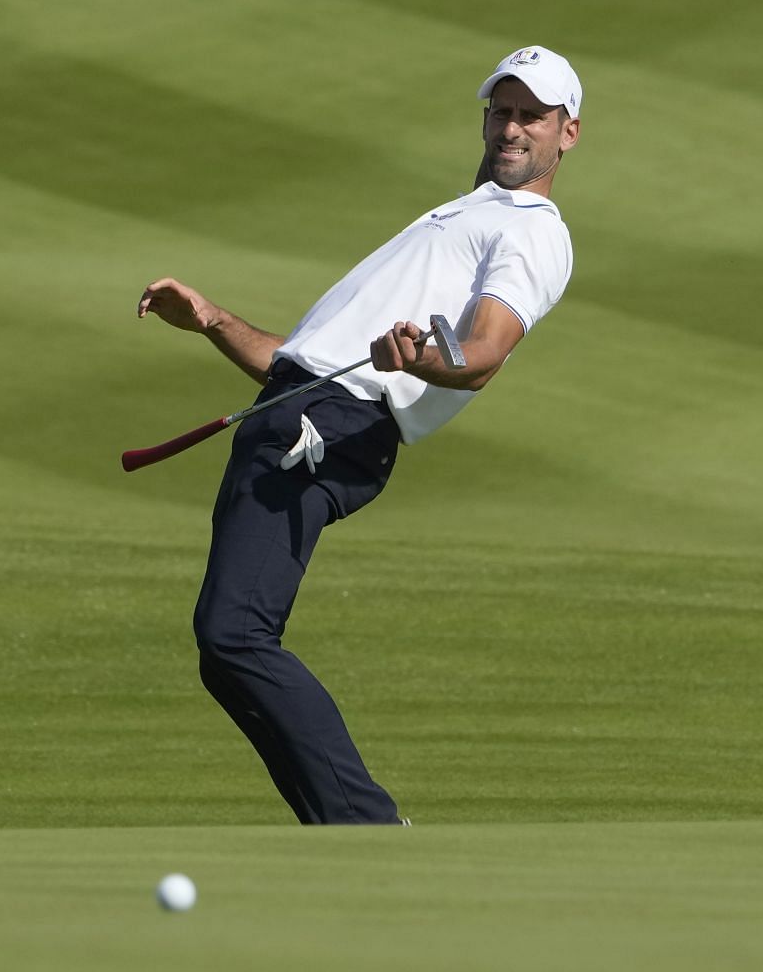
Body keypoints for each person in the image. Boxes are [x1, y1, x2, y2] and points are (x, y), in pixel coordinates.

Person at [134, 46, 582, 824]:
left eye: (532, 116)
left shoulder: (533, 229)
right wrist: (210, 320)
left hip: (336, 423)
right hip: (303, 407)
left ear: (566, 133)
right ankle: (346, 826)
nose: (512, 128)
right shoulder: (463, 213)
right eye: (502, 111)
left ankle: (366, 824)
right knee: (226, 644)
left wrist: (423, 357)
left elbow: (481, 354)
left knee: (234, 631)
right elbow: (298, 360)